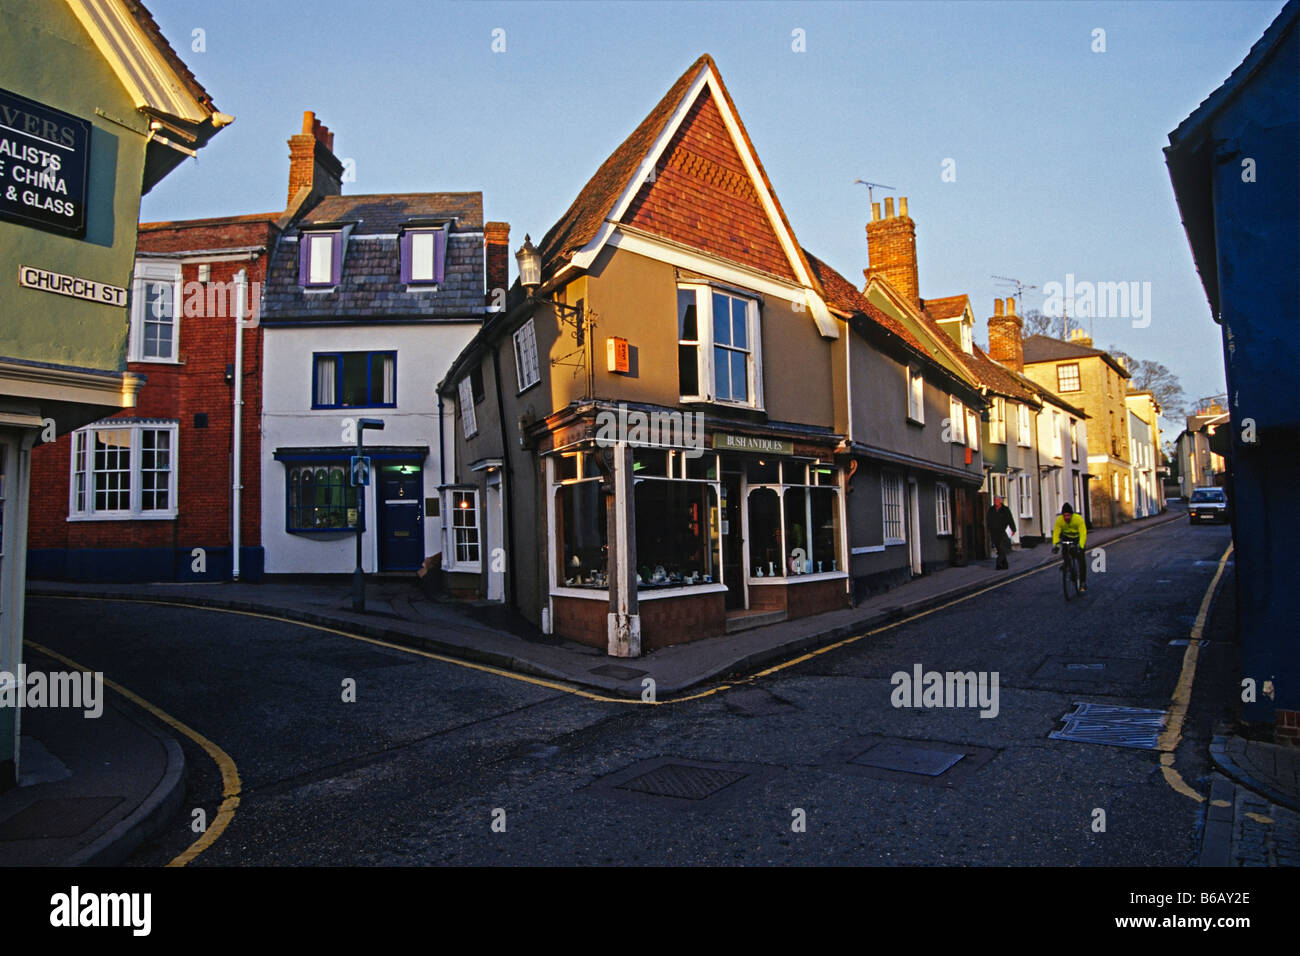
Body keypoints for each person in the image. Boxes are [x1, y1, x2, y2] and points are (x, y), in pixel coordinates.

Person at [1051, 502, 1088, 592]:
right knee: (1065, 552)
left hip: (1077, 538)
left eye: (1068, 515)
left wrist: (1081, 545)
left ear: (1071, 515)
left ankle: (1082, 582)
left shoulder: (1078, 519)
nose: (1067, 517)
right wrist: (1056, 544)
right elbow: (1056, 532)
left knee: (1081, 559)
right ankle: (1068, 567)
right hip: (1066, 537)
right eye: (1065, 515)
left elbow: (1083, 533)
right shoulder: (1060, 520)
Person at [987, 496, 1016, 569]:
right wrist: (989, 528)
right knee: (999, 548)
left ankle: (998, 564)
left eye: (997, 500)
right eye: (995, 500)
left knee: (1001, 547)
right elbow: (988, 519)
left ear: (1001, 501)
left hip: (1002, 531)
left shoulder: (1005, 509)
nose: (995, 501)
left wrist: (1013, 529)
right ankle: (1005, 565)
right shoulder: (991, 509)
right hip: (993, 532)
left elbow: (1010, 519)